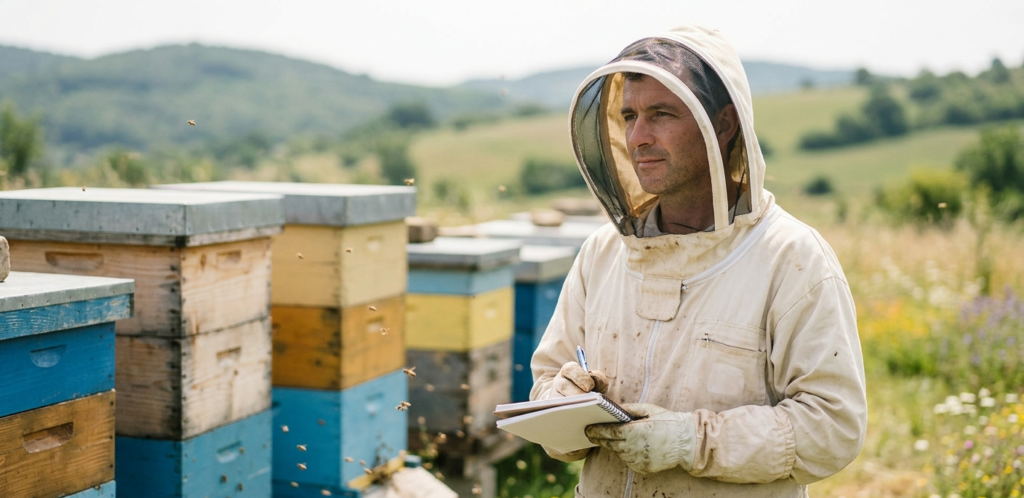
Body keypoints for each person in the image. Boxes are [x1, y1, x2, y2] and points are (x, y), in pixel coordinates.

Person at [529, 24, 867, 497]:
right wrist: (562, 401)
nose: (638, 137)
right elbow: (547, 380)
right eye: (629, 116)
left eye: (661, 114)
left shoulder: (792, 259)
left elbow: (833, 429)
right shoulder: (603, 253)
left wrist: (693, 441)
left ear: (723, 124)